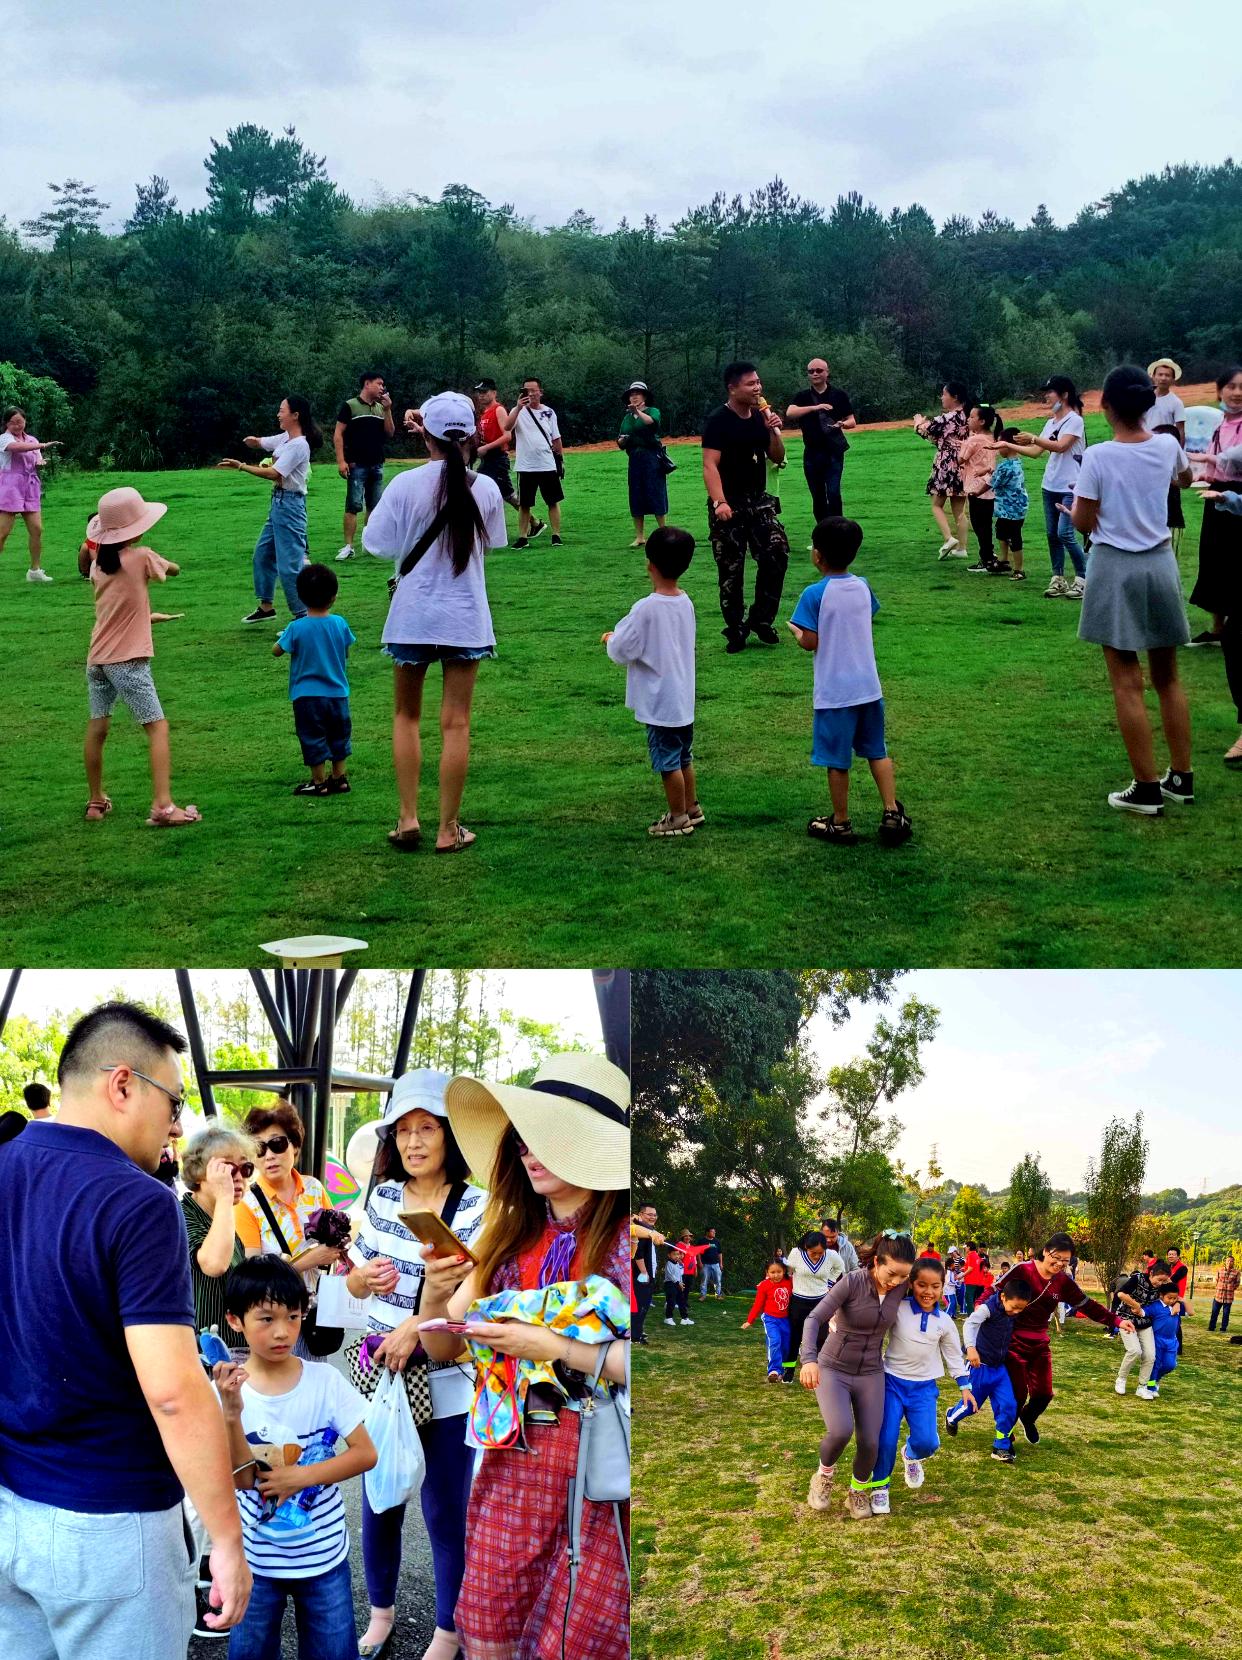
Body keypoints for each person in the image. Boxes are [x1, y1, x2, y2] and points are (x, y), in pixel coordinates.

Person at [0, 1000, 251, 1652]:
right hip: (112, 1526)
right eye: (173, 1105)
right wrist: (226, 1537)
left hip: (9, 1506)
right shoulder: (138, 1201)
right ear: (122, 1084)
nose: (176, 1128)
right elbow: (171, 1392)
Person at [418, 1053, 631, 1660]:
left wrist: (555, 1348)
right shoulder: (505, 1235)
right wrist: (436, 1288)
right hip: (512, 1460)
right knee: (489, 1622)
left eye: (545, 1138)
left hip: (598, 1462)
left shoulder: (621, 1243)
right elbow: (442, 1345)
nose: (527, 1153)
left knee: (577, 1633)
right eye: (521, 1140)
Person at [343, 1069, 488, 1660]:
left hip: (445, 1378)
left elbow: (466, 1299)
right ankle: (380, 1615)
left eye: (427, 1127)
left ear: (451, 1136)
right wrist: (359, 1278)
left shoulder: (479, 1206)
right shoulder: (379, 1198)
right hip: (379, 1373)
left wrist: (412, 1326)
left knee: (445, 1508)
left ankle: (448, 1631)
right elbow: (353, 1281)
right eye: (402, 1131)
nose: (413, 1142)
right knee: (380, 1498)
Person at [362, 392, 506, 855]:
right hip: (464, 618)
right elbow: (494, 544)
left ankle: (407, 818)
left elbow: (375, 544)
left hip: (412, 616)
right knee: (456, 724)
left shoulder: (405, 484)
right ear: (471, 439)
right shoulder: (484, 489)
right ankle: (448, 828)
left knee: (406, 716)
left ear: (425, 436)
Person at [217, 1256, 377, 1660]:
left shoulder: (324, 1381)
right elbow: (240, 1480)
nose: (282, 1331)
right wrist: (231, 1414)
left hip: (323, 1558)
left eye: (292, 1316)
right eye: (266, 1319)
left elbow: (365, 1454)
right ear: (235, 1321)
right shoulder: (230, 1392)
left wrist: (299, 1478)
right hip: (256, 1560)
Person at [1070, 365, 1194, 817]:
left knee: (1126, 679)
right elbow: (1183, 478)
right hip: (1160, 563)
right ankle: (1181, 777)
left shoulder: (1100, 455)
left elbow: (1084, 522)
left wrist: (1075, 511)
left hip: (1116, 566)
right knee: (1168, 676)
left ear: (1106, 407)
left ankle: (1145, 787)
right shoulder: (1166, 445)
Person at [78, 485, 201, 828]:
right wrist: (170, 564)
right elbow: (172, 570)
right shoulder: (142, 557)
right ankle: (163, 806)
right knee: (157, 727)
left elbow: (118, 609)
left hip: (97, 659)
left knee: (98, 724)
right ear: (137, 527)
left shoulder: (98, 568)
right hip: (128, 661)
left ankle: (95, 800)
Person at [789, 516, 913, 847]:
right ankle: (891, 811)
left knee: (837, 759)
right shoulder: (862, 585)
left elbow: (810, 642)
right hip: (869, 687)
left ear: (818, 555)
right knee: (877, 750)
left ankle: (840, 822)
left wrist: (795, 630)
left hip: (834, 692)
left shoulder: (813, 594)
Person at [799, 1232, 917, 1520]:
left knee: (870, 1441)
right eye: (891, 1274)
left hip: (870, 1372)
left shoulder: (901, 1286)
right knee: (840, 1430)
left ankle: (857, 1491)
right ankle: (823, 1476)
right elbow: (814, 1318)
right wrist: (809, 1360)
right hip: (833, 1367)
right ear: (876, 1262)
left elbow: (931, 1277)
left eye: (904, 1277)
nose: (896, 1282)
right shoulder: (853, 1281)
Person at [603, 525, 701, 838]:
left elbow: (623, 648)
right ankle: (692, 807)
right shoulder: (685, 601)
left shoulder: (646, 608)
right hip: (682, 697)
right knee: (684, 756)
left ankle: (677, 817)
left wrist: (610, 639)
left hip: (661, 702)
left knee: (667, 760)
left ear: (650, 565)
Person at [993, 1233, 1132, 1444]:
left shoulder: (1063, 1282)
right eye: (1056, 1258)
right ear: (1046, 1251)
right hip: (1013, 1340)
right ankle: (1005, 1435)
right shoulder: (1023, 1270)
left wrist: (1116, 1321)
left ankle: (1028, 1417)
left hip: (1039, 1342)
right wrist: (980, 1316)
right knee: (1017, 1394)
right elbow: (993, 1292)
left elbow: (1087, 1305)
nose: (1059, 1264)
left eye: (1065, 1261)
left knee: (1044, 1394)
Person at [234, 1101, 342, 1358]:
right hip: (278, 1319)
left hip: (318, 1314)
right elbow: (255, 1275)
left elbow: (336, 1237)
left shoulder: (314, 1188)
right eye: (259, 1148)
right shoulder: (247, 1204)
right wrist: (308, 1261)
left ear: (294, 1145)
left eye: (278, 1144)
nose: (269, 1155)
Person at [868, 1256, 974, 1514]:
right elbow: (872, 1326)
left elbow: (952, 1356)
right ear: (912, 1284)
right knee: (885, 1439)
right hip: (891, 1383)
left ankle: (911, 1455)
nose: (928, 1292)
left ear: (942, 1287)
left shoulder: (945, 1322)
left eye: (935, 1286)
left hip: (924, 1389)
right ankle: (880, 1488)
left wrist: (965, 1386)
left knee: (928, 1442)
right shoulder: (898, 1308)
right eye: (922, 1285)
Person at [701, 362, 790, 653]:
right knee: (731, 568)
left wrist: (774, 432)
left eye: (758, 382)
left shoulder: (760, 418)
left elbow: (776, 457)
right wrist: (720, 502)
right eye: (751, 384)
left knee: (776, 552)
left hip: (759, 500)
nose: (758, 388)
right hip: (730, 501)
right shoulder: (718, 420)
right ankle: (735, 629)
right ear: (733, 388)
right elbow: (709, 465)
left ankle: (761, 620)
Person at [219, 395, 322, 625]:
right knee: (263, 556)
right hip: (278, 504)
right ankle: (266, 607)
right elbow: (267, 441)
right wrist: (254, 441)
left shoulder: (299, 445)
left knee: (289, 566)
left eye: (282, 410)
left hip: (290, 507)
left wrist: (242, 466)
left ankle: (302, 616)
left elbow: (275, 473)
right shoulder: (287, 437)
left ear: (295, 415)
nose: (278, 414)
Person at [996, 377, 1088, 598]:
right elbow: (1038, 453)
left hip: (1070, 486)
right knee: (1051, 535)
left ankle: (1083, 578)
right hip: (1050, 484)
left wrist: (1034, 438)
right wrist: (1008, 444)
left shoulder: (1074, 421)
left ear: (1064, 395)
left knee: (1064, 533)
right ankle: (1058, 579)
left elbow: (1060, 446)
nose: (1046, 396)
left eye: (1050, 392)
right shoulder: (1051, 423)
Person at [272, 563, 356, 797]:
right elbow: (345, 651)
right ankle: (339, 777)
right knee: (339, 734)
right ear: (334, 596)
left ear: (300, 597)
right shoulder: (340, 623)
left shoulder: (296, 627)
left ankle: (318, 782)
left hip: (307, 695)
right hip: (338, 693)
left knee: (313, 736)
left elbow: (276, 651)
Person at [181, 1124, 256, 1351]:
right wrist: (224, 1196)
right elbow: (214, 1264)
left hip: (232, 1350)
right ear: (197, 1172)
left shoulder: (222, 1220)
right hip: (202, 1353)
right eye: (226, 1168)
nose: (238, 1176)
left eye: (246, 1168)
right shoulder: (183, 1215)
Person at [945, 1276, 1034, 1462]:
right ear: (1003, 1297)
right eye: (1014, 1307)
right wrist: (970, 1348)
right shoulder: (988, 1308)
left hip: (999, 1369)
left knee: (1009, 1405)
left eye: (1021, 1309)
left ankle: (1000, 1446)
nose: (1016, 1312)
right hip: (979, 1367)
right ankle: (951, 1416)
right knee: (970, 1407)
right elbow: (970, 1323)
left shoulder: (1014, 1312)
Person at [786, 358, 857, 525]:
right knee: (817, 496)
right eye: (811, 371)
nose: (815, 374)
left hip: (833, 452)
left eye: (819, 370)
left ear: (827, 372)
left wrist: (842, 424)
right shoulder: (802, 396)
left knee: (833, 494)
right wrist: (815, 408)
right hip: (811, 453)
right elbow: (790, 412)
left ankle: (839, 532)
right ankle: (822, 535)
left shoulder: (839, 395)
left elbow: (852, 420)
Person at [333, 371, 394, 561]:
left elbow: (390, 433)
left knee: (374, 507)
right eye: (379, 383)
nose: (382, 388)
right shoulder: (350, 406)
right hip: (356, 464)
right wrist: (341, 460)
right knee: (353, 506)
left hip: (377, 463)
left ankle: (369, 544)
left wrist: (388, 410)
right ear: (367, 384)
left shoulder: (380, 408)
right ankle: (348, 546)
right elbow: (338, 434)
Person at [472, 379, 544, 538]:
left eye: (485, 392)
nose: (481, 395)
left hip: (497, 458)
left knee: (506, 495)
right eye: (479, 392)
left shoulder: (498, 410)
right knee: (486, 491)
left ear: (494, 393)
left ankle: (535, 523)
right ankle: (534, 523)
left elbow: (507, 436)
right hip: (488, 460)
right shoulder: (484, 412)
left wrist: (485, 447)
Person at [501, 376, 564, 548]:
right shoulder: (518, 410)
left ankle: (556, 535)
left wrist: (560, 460)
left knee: (553, 500)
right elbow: (506, 427)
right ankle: (522, 537)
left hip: (547, 463)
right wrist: (519, 407)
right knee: (524, 503)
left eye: (533, 390)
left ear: (540, 392)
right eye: (526, 390)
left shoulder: (549, 412)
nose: (530, 394)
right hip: (526, 465)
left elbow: (556, 438)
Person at [0, 406, 61, 582]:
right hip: (10, 487)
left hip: (30, 486)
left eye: (20, 421)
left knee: (37, 530)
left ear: (25, 421)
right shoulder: (4, 439)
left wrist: (40, 462)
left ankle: (35, 571)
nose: (17, 425)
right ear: (6, 423)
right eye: (13, 422)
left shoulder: (32, 439)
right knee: (2, 533)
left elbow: (36, 458)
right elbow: (17, 448)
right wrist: (42, 445)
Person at [912, 382, 969, 558]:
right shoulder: (968, 416)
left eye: (944, 394)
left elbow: (925, 430)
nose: (942, 397)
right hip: (963, 463)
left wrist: (917, 422)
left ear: (955, 397)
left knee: (937, 505)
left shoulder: (946, 418)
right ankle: (962, 549)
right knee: (960, 509)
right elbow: (940, 437)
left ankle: (948, 538)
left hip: (946, 464)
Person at [783, 1231, 845, 1383]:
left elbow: (840, 1268)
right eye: (813, 1252)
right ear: (806, 1247)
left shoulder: (831, 1255)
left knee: (821, 1338)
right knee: (795, 1337)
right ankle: (789, 1370)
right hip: (798, 1301)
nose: (817, 1256)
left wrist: (830, 1283)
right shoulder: (796, 1253)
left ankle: (817, 1372)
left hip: (821, 1302)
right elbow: (789, 1271)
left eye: (820, 1253)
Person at [618, 381, 669, 545]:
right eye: (631, 394)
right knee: (636, 495)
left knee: (656, 493)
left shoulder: (653, 411)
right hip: (635, 459)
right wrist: (621, 441)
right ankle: (640, 536)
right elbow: (621, 436)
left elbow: (652, 424)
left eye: (637, 393)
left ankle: (663, 531)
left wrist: (637, 412)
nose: (634, 396)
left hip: (652, 457)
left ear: (644, 396)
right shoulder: (627, 417)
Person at [1112, 1258, 1173, 1396]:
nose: (1161, 1283)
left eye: (1164, 1281)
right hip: (1126, 1320)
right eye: (1159, 1279)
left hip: (1145, 1323)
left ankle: (1142, 1386)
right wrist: (1136, 1305)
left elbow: (1174, 1294)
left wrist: (1175, 1300)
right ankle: (1121, 1379)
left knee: (1151, 1356)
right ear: (1151, 1273)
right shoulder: (1137, 1278)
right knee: (1135, 1351)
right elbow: (1121, 1294)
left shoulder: (1162, 1287)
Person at [959, 402, 1005, 574]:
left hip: (975, 487)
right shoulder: (992, 438)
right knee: (985, 524)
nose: (968, 420)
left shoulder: (974, 440)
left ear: (982, 421)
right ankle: (988, 556)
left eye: (972, 417)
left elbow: (960, 460)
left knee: (979, 525)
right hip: (989, 487)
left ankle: (986, 558)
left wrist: (962, 444)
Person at [1146, 358, 1188, 547]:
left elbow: (1180, 431)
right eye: (1160, 374)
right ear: (1153, 376)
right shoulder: (1145, 398)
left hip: (1164, 452)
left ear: (1172, 379)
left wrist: (1177, 456)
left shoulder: (1175, 403)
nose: (1163, 378)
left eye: (1167, 375)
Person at [742, 1261, 794, 1383]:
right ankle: (774, 1370)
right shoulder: (764, 1286)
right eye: (772, 1272)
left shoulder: (790, 1282)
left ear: (784, 1271)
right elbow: (758, 1304)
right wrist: (750, 1320)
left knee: (786, 1345)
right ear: (767, 1273)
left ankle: (785, 1367)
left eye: (779, 1272)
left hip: (786, 1319)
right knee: (775, 1341)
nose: (776, 1275)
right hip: (771, 1319)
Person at [991, 428, 1030, 580]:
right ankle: (1004, 560)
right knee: (1001, 531)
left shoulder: (1005, 466)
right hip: (1014, 507)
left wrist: (977, 490)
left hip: (1010, 508)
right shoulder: (1016, 463)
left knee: (1013, 537)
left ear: (1008, 445)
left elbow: (994, 482)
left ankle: (1019, 569)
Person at [1143, 1281, 1189, 1397]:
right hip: (1157, 1340)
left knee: (1170, 1365)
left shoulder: (1177, 1306)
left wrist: (1182, 1301)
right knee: (1156, 1364)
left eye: (1174, 1298)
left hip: (1172, 1341)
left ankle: (1156, 1379)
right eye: (1169, 1298)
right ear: (1161, 1296)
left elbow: (1191, 1312)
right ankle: (1150, 1387)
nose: (1172, 1300)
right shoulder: (1156, 1306)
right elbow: (1143, 1312)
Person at [632, 1203, 660, 1342]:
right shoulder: (640, 1231)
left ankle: (638, 1330)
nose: (653, 1217)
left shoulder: (648, 1231)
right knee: (640, 1304)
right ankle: (635, 1336)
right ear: (641, 1215)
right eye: (649, 1214)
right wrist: (644, 1273)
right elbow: (638, 1253)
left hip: (648, 1273)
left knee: (645, 1303)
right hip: (641, 1275)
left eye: (655, 1215)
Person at [664, 1234, 697, 1328]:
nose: (677, 1256)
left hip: (678, 1284)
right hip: (670, 1284)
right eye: (674, 1254)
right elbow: (671, 1276)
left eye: (678, 1254)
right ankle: (668, 1318)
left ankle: (684, 1318)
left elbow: (680, 1273)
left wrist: (682, 1266)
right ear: (669, 1255)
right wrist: (678, 1282)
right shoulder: (668, 1264)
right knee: (671, 1301)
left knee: (682, 1301)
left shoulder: (678, 1263)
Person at [1208, 1255, 1238, 1333]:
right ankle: (1211, 1327)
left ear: (1233, 1262)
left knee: (1226, 1314)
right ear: (1225, 1261)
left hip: (1228, 1297)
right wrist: (1219, 1287)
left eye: (1231, 1261)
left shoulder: (1236, 1272)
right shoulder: (1220, 1270)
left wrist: (1230, 1288)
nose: (1229, 1262)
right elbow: (1216, 1280)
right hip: (1218, 1296)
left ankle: (1223, 1328)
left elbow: (1237, 1283)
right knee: (1214, 1312)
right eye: (1228, 1261)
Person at [962, 1243, 988, 1315]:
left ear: (969, 1247)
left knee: (969, 1299)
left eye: (966, 1247)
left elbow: (970, 1268)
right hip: (976, 1281)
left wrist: (961, 1275)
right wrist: (964, 1269)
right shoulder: (976, 1256)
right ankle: (974, 1314)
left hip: (970, 1281)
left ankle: (970, 1316)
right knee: (973, 1299)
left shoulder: (971, 1255)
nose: (965, 1248)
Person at [698, 1227, 724, 1297]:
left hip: (716, 1264)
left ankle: (718, 1295)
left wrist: (721, 1263)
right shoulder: (702, 1241)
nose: (714, 1233)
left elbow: (720, 1253)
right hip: (705, 1264)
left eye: (714, 1232)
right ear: (707, 1232)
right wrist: (699, 1262)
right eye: (712, 1232)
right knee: (704, 1281)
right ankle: (703, 1295)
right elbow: (698, 1253)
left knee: (718, 1280)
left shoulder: (717, 1241)